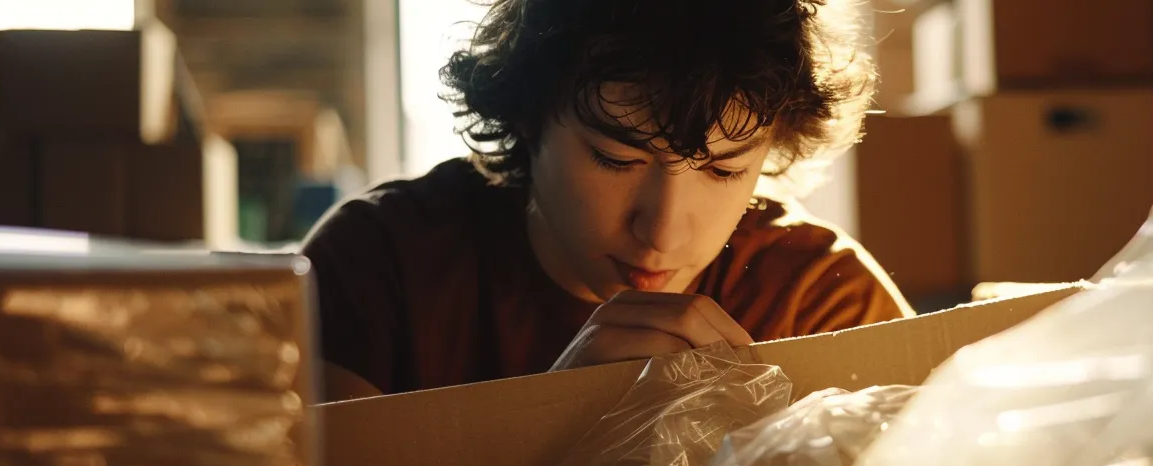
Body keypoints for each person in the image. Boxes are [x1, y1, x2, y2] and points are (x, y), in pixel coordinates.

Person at [303, 0, 914, 402]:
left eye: (725, 170)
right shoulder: (377, 264)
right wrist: (546, 426)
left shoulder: (819, 298)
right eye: (616, 159)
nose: (664, 233)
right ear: (528, 118)